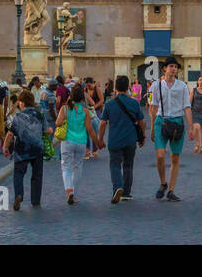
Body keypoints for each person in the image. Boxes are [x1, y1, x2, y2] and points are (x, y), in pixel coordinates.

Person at [149, 57, 193, 201]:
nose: (174, 69)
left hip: (177, 122)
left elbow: (187, 106)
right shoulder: (156, 85)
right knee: (160, 155)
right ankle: (163, 183)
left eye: (176, 67)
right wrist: (151, 126)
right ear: (165, 68)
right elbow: (153, 106)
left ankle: (171, 190)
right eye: (171, 66)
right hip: (161, 122)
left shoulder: (182, 86)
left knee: (175, 157)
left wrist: (191, 127)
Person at [98, 74, 144, 203]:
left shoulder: (110, 104)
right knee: (128, 165)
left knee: (115, 165)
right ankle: (127, 193)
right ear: (128, 87)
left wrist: (100, 139)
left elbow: (102, 123)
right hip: (130, 140)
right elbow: (141, 121)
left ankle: (118, 187)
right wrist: (143, 137)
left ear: (115, 88)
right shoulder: (134, 103)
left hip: (115, 140)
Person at [55, 82, 102, 204]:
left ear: (70, 95)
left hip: (67, 141)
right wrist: (97, 143)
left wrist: (65, 120)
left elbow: (57, 123)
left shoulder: (64, 108)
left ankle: (69, 191)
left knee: (66, 167)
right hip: (81, 142)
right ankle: (73, 192)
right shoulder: (85, 111)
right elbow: (90, 130)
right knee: (77, 167)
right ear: (82, 98)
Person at [4, 89, 47, 210]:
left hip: (22, 148)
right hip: (37, 148)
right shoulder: (39, 114)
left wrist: (5, 146)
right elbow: (45, 130)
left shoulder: (18, 116)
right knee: (37, 175)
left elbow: (10, 134)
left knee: (18, 173)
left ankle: (19, 194)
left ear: (22, 103)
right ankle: (35, 201)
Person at [190, 75, 202, 154]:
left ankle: (201, 146)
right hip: (195, 112)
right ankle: (196, 144)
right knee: (197, 127)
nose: (201, 81)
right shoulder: (193, 90)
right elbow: (189, 101)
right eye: (200, 80)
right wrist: (188, 110)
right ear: (197, 82)